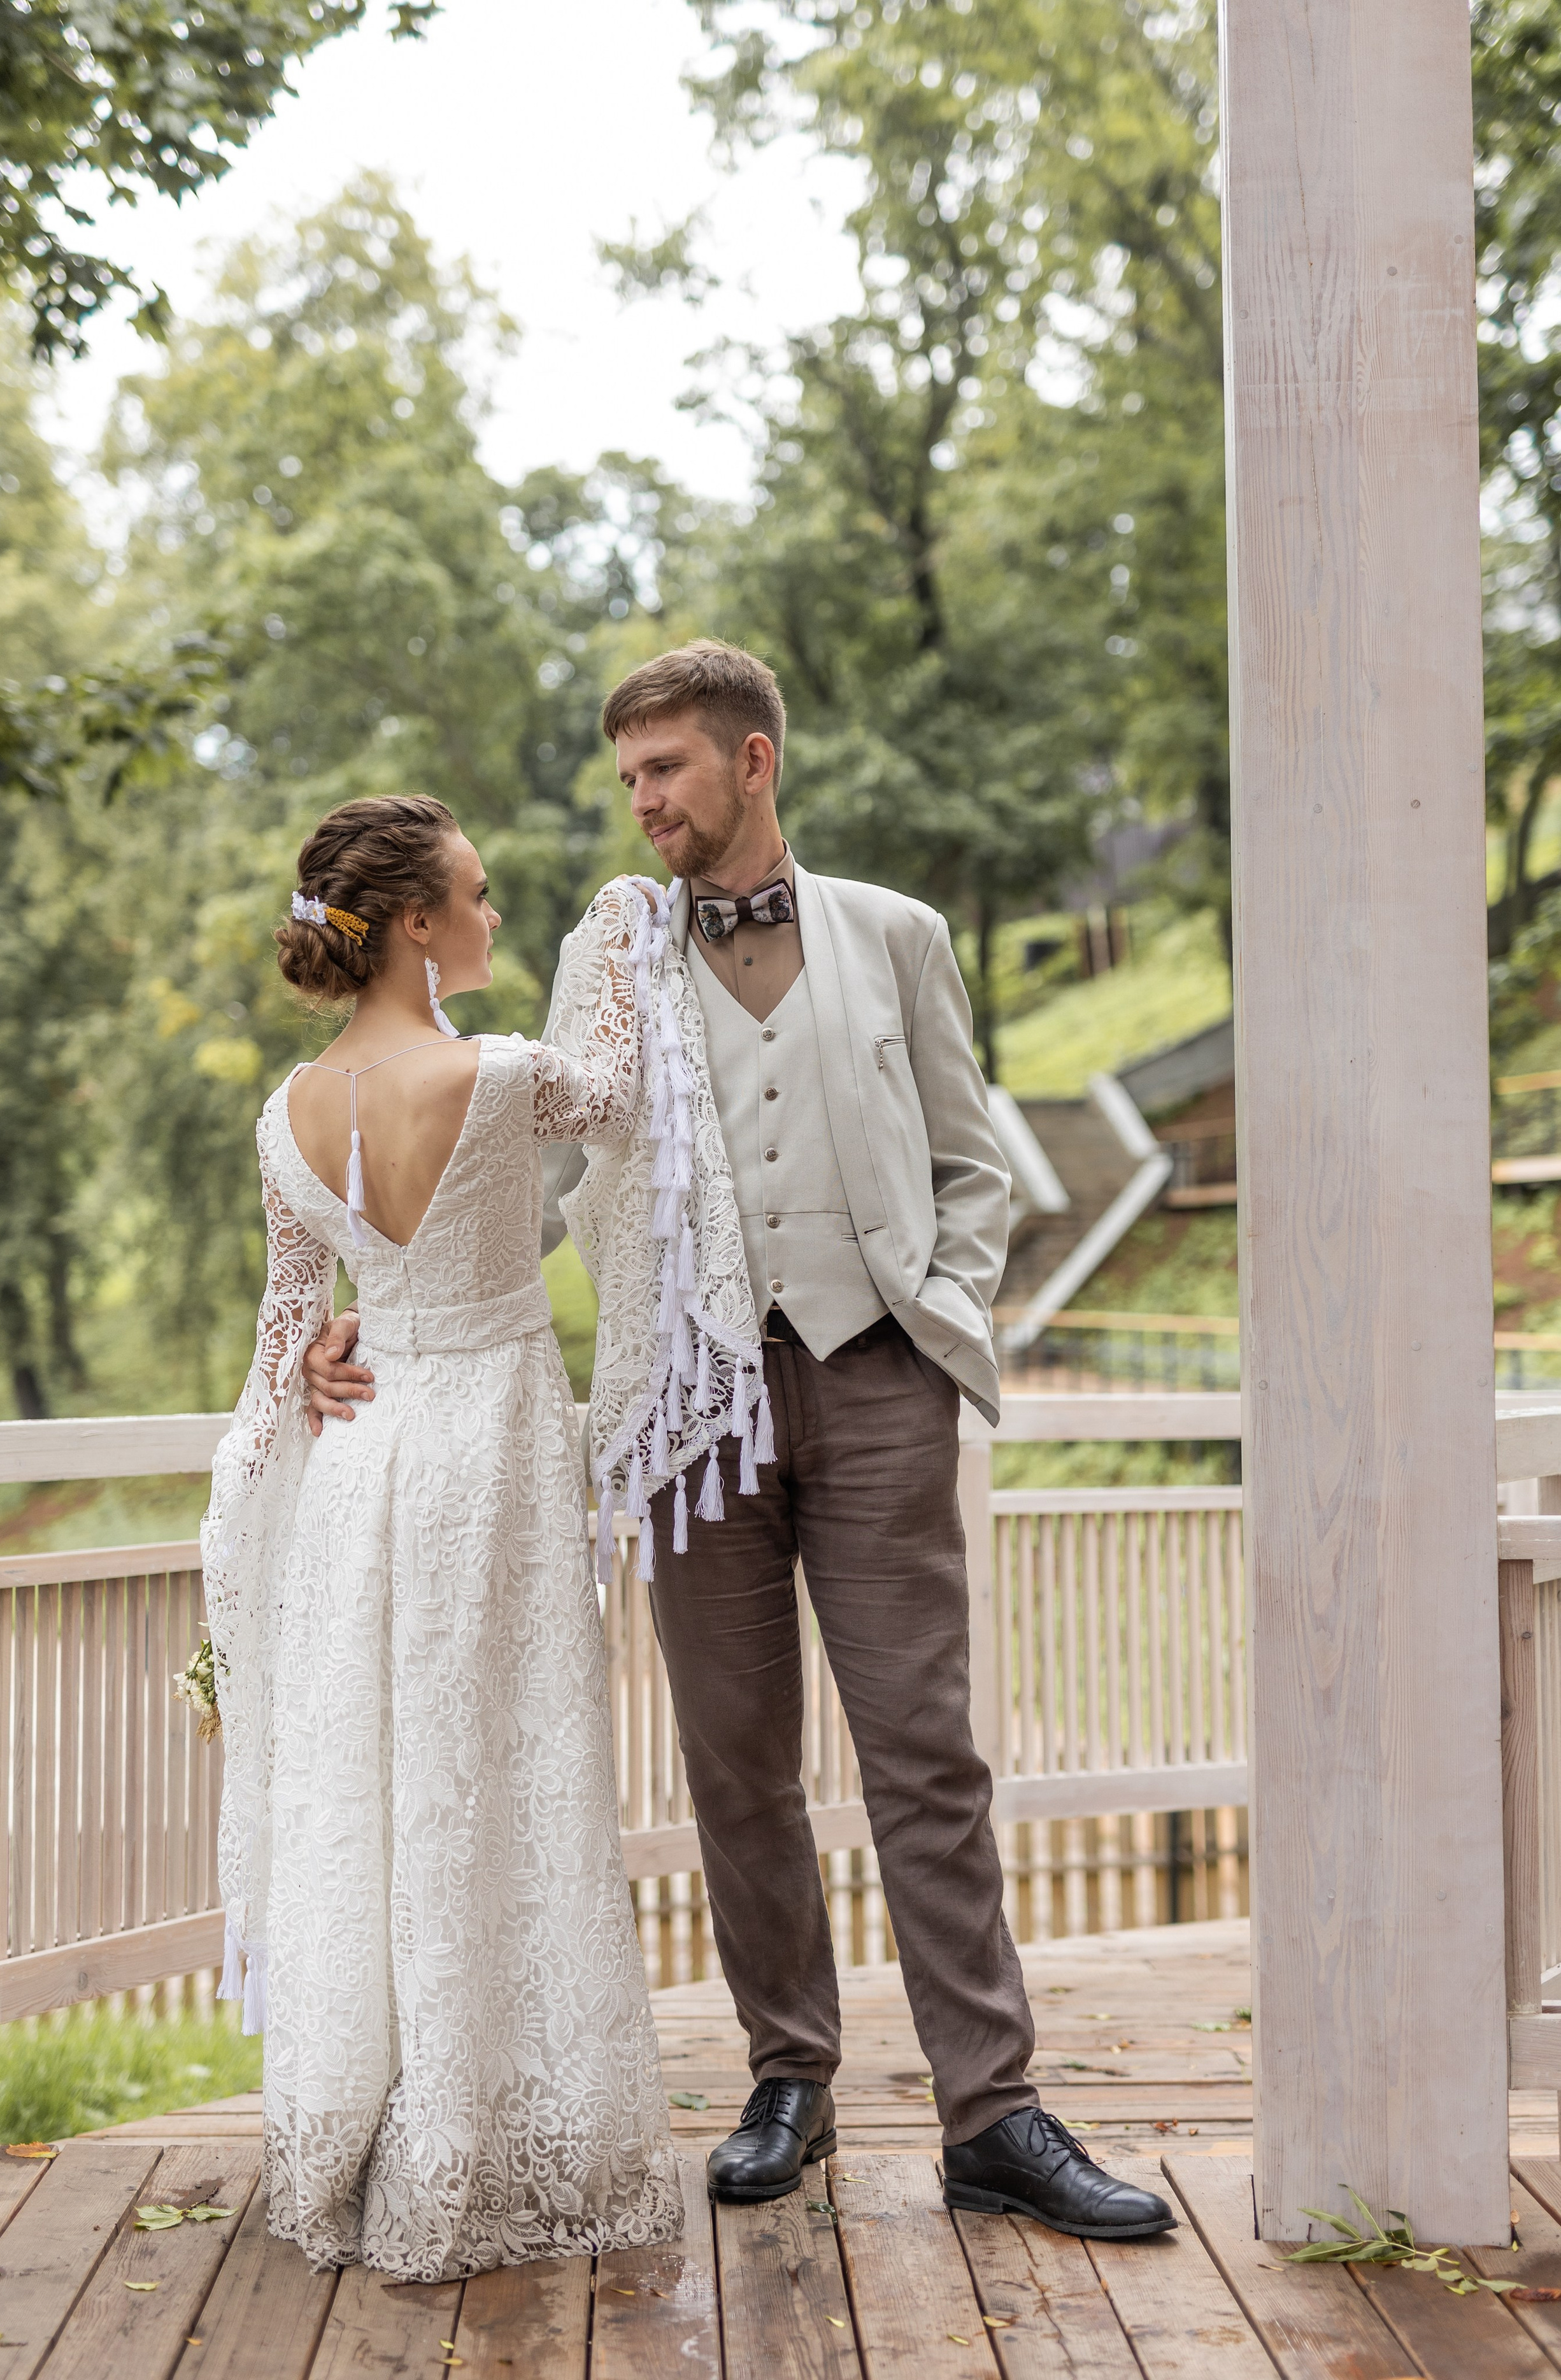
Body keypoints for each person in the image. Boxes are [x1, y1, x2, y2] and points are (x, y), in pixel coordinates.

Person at [306, 650, 1174, 2243]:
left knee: (926, 1758)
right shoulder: (605, 962)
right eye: (628, 775)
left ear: (751, 763)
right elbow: (534, 1178)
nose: (641, 802)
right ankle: (792, 2075)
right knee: (735, 1771)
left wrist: (933, 1316)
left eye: (666, 772)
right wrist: (374, 1293)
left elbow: (973, 1164)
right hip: (679, 1412)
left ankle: (992, 2112)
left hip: (874, 1386)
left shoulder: (898, 937)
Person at [201, 794, 684, 2279]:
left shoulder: (285, 1111)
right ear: (414, 924)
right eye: (474, 896)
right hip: (491, 1453)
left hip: (362, 1463)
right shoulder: (497, 1072)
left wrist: (327, 1354)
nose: (491, 917)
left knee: (379, 1775)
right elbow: (623, 1092)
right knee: (505, 1769)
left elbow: (289, 1331)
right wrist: (617, 921)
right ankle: (477, 2130)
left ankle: (372, 2114)